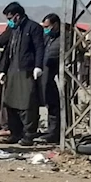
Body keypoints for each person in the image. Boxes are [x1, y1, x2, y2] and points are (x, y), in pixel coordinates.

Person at [0, 2, 44, 146]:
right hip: (11, 70)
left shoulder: (33, 27)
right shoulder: (13, 29)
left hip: (26, 70)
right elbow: (2, 44)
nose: (9, 21)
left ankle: (28, 135)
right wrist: (2, 70)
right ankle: (15, 133)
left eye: (10, 18)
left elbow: (39, 48)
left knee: (26, 104)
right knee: (10, 103)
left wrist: (38, 66)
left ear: (17, 16)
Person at [36, 13, 61, 144]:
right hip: (45, 75)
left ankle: (55, 132)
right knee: (49, 104)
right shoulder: (46, 37)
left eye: (48, 26)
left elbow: (55, 56)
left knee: (55, 106)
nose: (46, 29)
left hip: (56, 76)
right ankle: (51, 130)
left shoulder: (63, 38)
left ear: (55, 25)